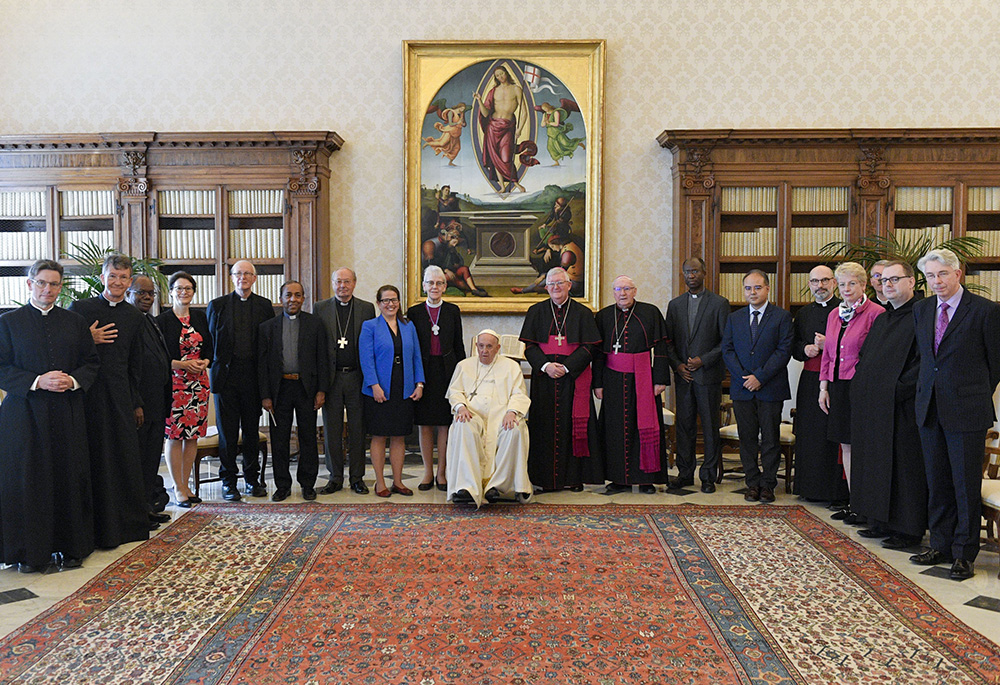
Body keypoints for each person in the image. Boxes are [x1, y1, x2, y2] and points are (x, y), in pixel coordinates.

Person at [0, 260, 100, 573]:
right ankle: (30, 553)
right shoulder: (8, 322)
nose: (48, 290)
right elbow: (2, 367)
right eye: (42, 283)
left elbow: (91, 363)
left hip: (65, 412)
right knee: (29, 480)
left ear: (61, 286)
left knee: (68, 477)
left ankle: (72, 548)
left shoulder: (74, 321)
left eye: (54, 284)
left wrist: (71, 381)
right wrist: (37, 381)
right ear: (29, 284)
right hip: (24, 415)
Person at [911, 248, 1000, 580]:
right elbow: (925, 359)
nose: (936, 282)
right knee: (937, 482)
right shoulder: (921, 310)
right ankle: (941, 543)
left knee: (964, 484)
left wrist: (970, 392)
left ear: (958, 273)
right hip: (929, 407)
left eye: (942, 274)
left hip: (967, 410)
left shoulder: (985, 311)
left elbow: (996, 364)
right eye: (930, 276)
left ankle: (964, 554)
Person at [70, 253, 153, 545]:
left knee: (121, 459)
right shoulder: (80, 309)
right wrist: (86, 338)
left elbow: (135, 365)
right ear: (102, 277)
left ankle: (123, 526)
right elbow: (66, 354)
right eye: (112, 276)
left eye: (123, 277)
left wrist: (136, 402)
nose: (117, 282)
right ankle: (91, 529)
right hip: (87, 395)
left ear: (129, 281)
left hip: (119, 396)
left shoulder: (133, 316)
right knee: (92, 458)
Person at [850, 260, 927, 549]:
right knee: (876, 462)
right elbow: (867, 359)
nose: (888, 285)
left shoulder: (922, 315)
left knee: (904, 466)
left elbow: (924, 361)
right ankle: (879, 519)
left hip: (903, 405)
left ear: (912, 282)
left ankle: (907, 529)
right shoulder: (883, 317)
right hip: (875, 405)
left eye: (895, 279)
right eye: (884, 280)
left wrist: (898, 389)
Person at [519, 267, 603, 491]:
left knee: (572, 427)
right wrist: (546, 366)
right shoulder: (535, 311)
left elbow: (590, 347)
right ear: (546, 287)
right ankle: (543, 479)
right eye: (551, 284)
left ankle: (573, 479)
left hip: (573, 380)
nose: (555, 288)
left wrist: (566, 368)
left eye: (560, 283)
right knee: (543, 427)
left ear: (569, 285)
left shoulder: (583, 313)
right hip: (544, 379)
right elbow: (529, 346)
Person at [819, 262, 884, 523]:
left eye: (852, 283)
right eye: (842, 284)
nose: (847, 289)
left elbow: (876, 356)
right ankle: (854, 501)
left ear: (864, 285)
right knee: (845, 444)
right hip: (837, 385)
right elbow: (827, 354)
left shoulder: (876, 313)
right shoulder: (834, 314)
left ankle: (868, 503)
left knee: (864, 446)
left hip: (863, 387)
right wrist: (823, 387)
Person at [721, 270, 793, 504]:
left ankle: (768, 484)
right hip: (742, 388)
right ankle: (752, 483)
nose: (752, 292)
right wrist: (744, 376)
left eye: (757, 288)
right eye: (748, 288)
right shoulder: (735, 317)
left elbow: (783, 351)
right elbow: (728, 350)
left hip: (770, 387)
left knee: (771, 438)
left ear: (767, 288)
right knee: (748, 438)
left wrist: (759, 377)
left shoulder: (782, 317)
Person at [593, 275, 670, 494]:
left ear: (635, 291)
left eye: (627, 289)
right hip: (612, 378)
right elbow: (597, 353)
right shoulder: (604, 316)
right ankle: (618, 480)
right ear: (613, 292)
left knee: (644, 427)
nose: (623, 293)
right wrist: (597, 383)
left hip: (643, 377)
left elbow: (662, 348)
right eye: (618, 289)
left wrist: (660, 379)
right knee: (614, 429)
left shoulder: (650, 312)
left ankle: (646, 479)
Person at [207, 260, 274, 501]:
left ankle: (252, 480)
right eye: (238, 273)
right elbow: (210, 342)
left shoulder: (265, 306)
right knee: (227, 432)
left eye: (247, 274)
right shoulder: (217, 305)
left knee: (251, 432)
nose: (242, 278)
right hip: (226, 378)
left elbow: (268, 345)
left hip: (253, 378)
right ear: (231, 277)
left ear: (254, 279)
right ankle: (228, 482)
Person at [258, 281, 329, 502]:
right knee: (279, 439)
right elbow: (262, 365)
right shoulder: (267, 327)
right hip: (279, 389)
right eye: (288, 295)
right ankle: (282, 485)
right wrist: (265, 395)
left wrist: (321, 390)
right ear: (281, 298)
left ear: (303, 298)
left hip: (306, 388)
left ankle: (308, 484)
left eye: (298, 295)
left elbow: (323, 359)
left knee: (308, 437)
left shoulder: (316, 324)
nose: (293, 299)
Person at [664, 257, 729, 493]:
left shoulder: (719, 303)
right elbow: (667, 341)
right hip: (684, 378)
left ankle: (708, 476)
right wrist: (678, 365)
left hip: (708, 375)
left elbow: (725, 342)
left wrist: (703, 360)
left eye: (695, 271)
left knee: (710, 427)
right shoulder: (675, 305)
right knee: (684, 426)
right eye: (687, 272)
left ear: (704, 273)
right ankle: (684, 473)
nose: (691, 275)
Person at [446, 329, 532, 507]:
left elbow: (519, 393)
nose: (484, 351)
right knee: (462, 426)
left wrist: (512, 411)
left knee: (514, 430)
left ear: (498, 348)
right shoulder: (464, 365)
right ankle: (466, 487)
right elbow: (454, 392)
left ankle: (500, 487)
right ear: (476, 346)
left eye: (489, 347)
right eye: (481, 346)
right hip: (472, 414)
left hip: (502, 416)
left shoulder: (511, 366)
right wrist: (460, 407)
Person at [359, 285, 425, 497]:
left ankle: (398, 481)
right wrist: (374, 385)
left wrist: (419, 383)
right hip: (379, 389)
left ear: (399, 302)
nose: (390, 304)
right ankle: (380, 483)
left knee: (399, 436)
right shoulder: (369, 326)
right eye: (385, 300)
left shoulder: (408, 326)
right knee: (379, 436)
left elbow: (416, 356)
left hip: (403, 387)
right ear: (378, 303)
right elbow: (366, 359)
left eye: (394, 300)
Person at [315, 267, 376, 495]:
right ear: (333, 283)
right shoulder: (320, 308)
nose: (343, 286)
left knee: (358, 428)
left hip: (356, 377)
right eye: (338, 281)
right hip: (331, 378)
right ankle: (335, 477)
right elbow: (318, 346)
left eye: (347, 281)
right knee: (332, 429)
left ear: (355, 283)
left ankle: (357, 477)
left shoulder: (366, 308)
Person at [791, 265, 847, 506]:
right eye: (815, 281)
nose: (819, 286)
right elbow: (793, 346)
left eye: (825, 280)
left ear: (834, 283)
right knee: (809, 434)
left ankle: (835, 492)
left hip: (836, 381)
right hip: (810, 381)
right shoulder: (803, 314)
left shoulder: (844, 310)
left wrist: (829, 344)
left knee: (832, 434)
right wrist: (804, 349)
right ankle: (808, 487)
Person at [156, 272, 213, 508]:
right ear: (170, 292)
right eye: (179, 288)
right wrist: (182, 364)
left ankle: (186, 483)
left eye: (188, 288)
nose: (183, 292)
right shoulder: (162, 320)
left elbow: (210, 347)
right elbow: (159, 356)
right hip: (175, 383)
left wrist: (205, 362)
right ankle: (177, 486)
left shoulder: (200, 317)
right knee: (174, 435)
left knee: (192, 437)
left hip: (198, 384)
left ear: (193, 292)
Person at [407, 265, 465, 491]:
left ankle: (442, 473)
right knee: (424, 423)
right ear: (423, 286)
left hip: (446, 370)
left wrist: (462, 375)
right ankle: (427, 473)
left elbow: (458, 344)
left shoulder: (452, 311)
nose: (435, 287)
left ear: (445, 286)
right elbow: (411, 347)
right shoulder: (414, 312)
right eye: (430, 283)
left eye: (439, 283)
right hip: (423, 371)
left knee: (444, 423)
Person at [126, 275, 173, 518]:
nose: (147, 297)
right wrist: (136, 404)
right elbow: (128, 369)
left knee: (151, 459)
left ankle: (147, 507)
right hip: (140, 406)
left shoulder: (151, 321)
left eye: (151, 293)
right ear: (128, 293)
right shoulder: (128, 322)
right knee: (139, 461)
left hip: (157, 404)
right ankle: (138, 511)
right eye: (141, 293)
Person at [474, 65, 531, 193]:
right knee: (495, 157)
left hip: (508, 127)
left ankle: (515, 183)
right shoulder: (493, 91)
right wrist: (479, 100)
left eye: (502, 74)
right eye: (497, 75)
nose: (500, 77)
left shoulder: (516, 89)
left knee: (506, 157)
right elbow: (485, 113)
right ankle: (502, 186)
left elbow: (524, 112)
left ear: (507, 73)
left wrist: (519, 129)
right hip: (492, 126)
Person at [537, 100, 585, 165]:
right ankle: (556, 162)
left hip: (557, 132)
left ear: (548, 107)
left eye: (546, 109)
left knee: (566, 143)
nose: (545, 110)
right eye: (544, 109)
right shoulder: (545, 115)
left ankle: (579, 144)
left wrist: (549, 123)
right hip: (550, 133)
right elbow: (542, 125)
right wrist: (544, 122)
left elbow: (556, 124)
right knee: (550, 148)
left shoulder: (556, 112)